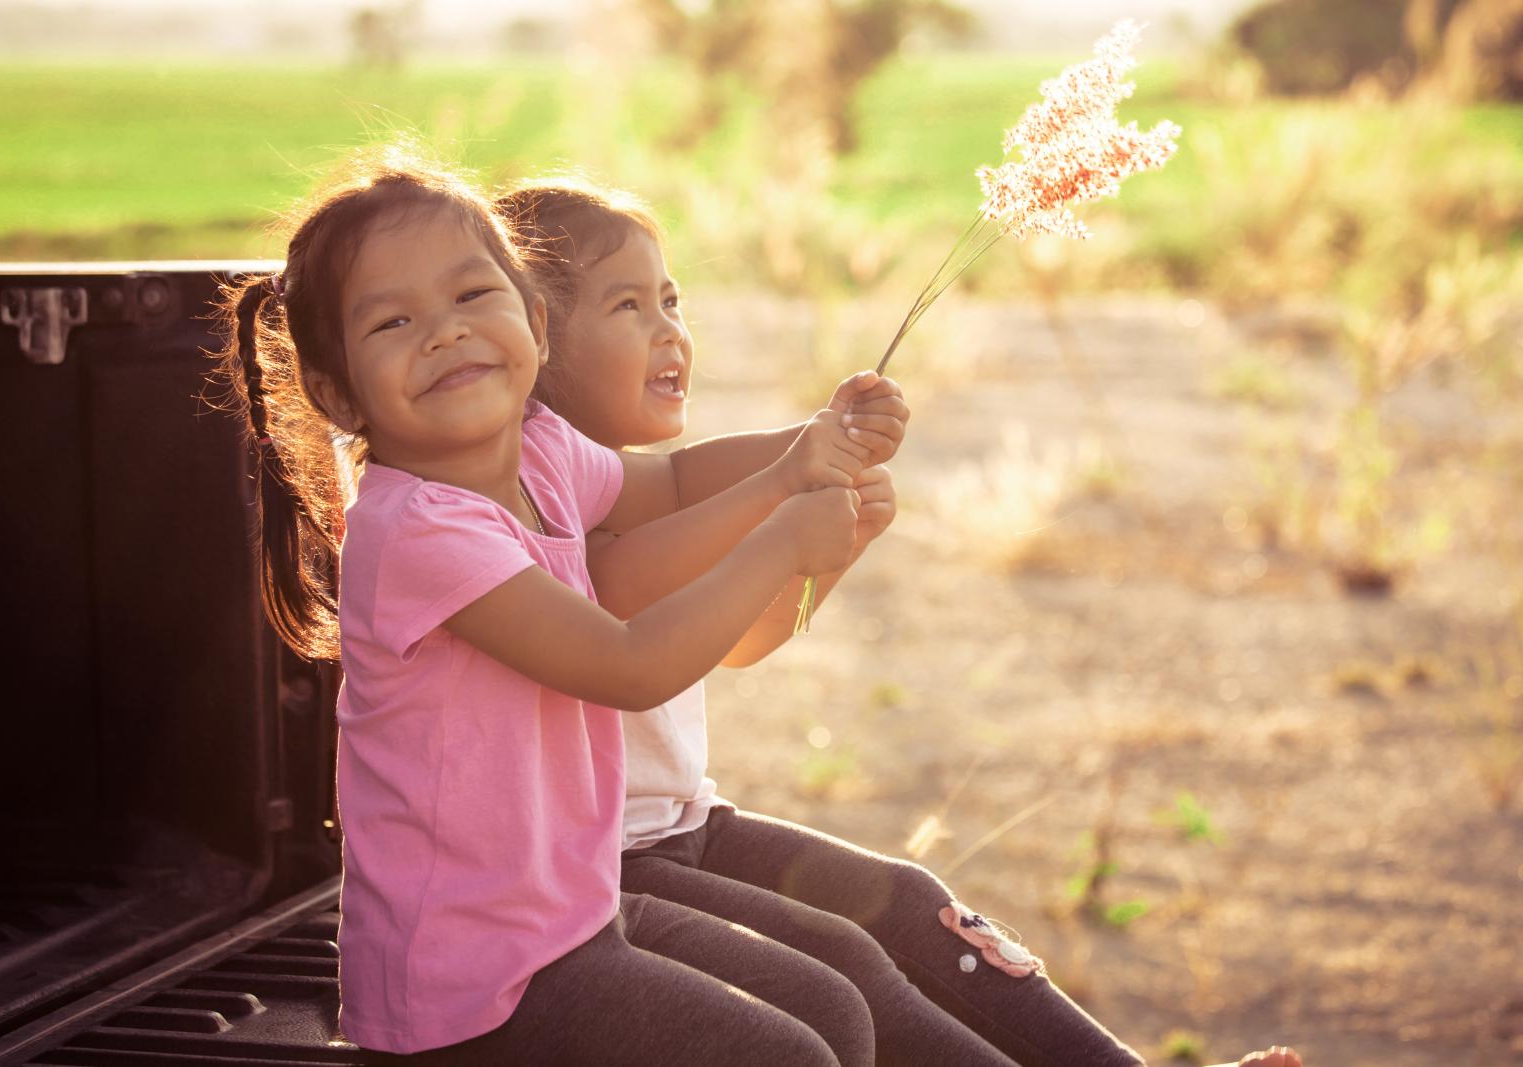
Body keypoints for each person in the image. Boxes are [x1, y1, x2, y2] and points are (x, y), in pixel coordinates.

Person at [496, 178, 1305, 1067]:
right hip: (613, 863)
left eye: (673, 299)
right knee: (856, 970)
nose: (669, 331)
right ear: (535, 339)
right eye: (628, 306)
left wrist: (832, 552)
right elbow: (620, 599)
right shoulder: (542, 506)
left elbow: (739, 645)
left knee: (913, 905)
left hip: (689, 825)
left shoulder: (644, 482)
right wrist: (782, 512)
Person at [213, 150, 905, 1065]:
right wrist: (780, 536)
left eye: (472, 296)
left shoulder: (539, 449)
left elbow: (670, 481)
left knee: (837, 1009)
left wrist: (807, 448)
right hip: (470, 986)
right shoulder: (416, 529)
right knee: (791, 1056)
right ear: (337, 391)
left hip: (569, 921)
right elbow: (626, 664)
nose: (446, 334)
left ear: (532, 321)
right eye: (393, 321)